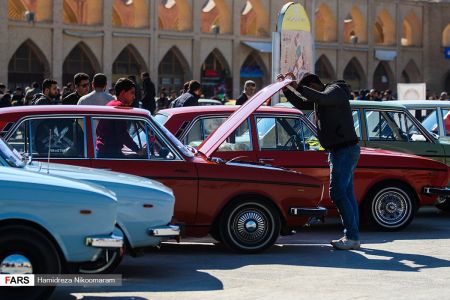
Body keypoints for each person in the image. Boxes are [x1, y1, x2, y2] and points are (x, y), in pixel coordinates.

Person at [277, 72, 361, 250]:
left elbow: (321, 98)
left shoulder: (336, 90)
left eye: (310, 89)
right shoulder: (323, 97)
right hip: (340, 150)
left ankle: (352, 237)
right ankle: (354, 235)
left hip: (344, 149)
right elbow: (302, 103)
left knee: (338, 194)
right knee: (347, 193)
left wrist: (297, 86)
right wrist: (286, 89)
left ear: (316, 84)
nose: (310, 93)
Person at [95, 78, 145, 158]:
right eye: (132, 93)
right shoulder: (120, 107)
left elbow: (98, 130)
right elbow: (122, 134)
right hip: (110, 154)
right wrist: (138, 150)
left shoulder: (110, 104)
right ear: (123, 93)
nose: (134, 97)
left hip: (104, 151)